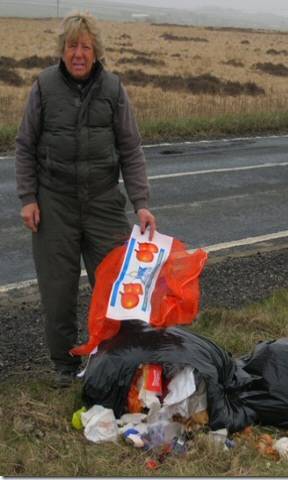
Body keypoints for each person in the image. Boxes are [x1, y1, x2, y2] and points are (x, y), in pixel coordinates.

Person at [15, 11, 156, 386]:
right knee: (57, 290)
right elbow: (26, 145)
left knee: (115, 289)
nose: (78, 53)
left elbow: (130, 148)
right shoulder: (44, 86)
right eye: (72, 46)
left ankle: (115, 360)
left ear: (96, 52)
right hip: (54, 204)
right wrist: (28, 197)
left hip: (103, 202)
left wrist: (140, 202)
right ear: (62, 50)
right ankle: (64, 366)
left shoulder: (113, 89)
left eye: (85, 47)